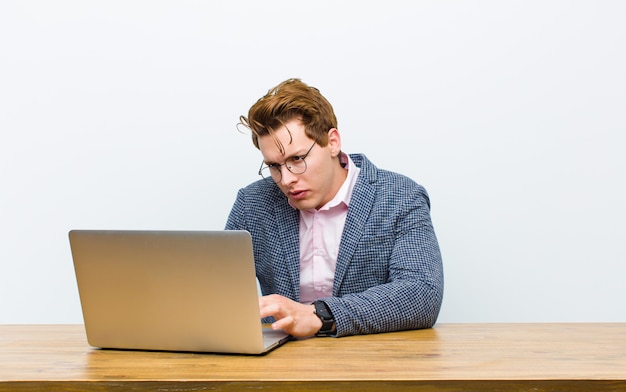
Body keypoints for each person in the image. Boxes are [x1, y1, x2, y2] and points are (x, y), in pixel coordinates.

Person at [226, 78, 443, 338]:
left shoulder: (399, 196)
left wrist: (319, 315)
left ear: (332, 142)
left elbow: (421, 293)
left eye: (297, 159)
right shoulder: (253, 204)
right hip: (280, 363)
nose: (286, 179)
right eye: (274, 166)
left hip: (374, 360)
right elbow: (217, 292)